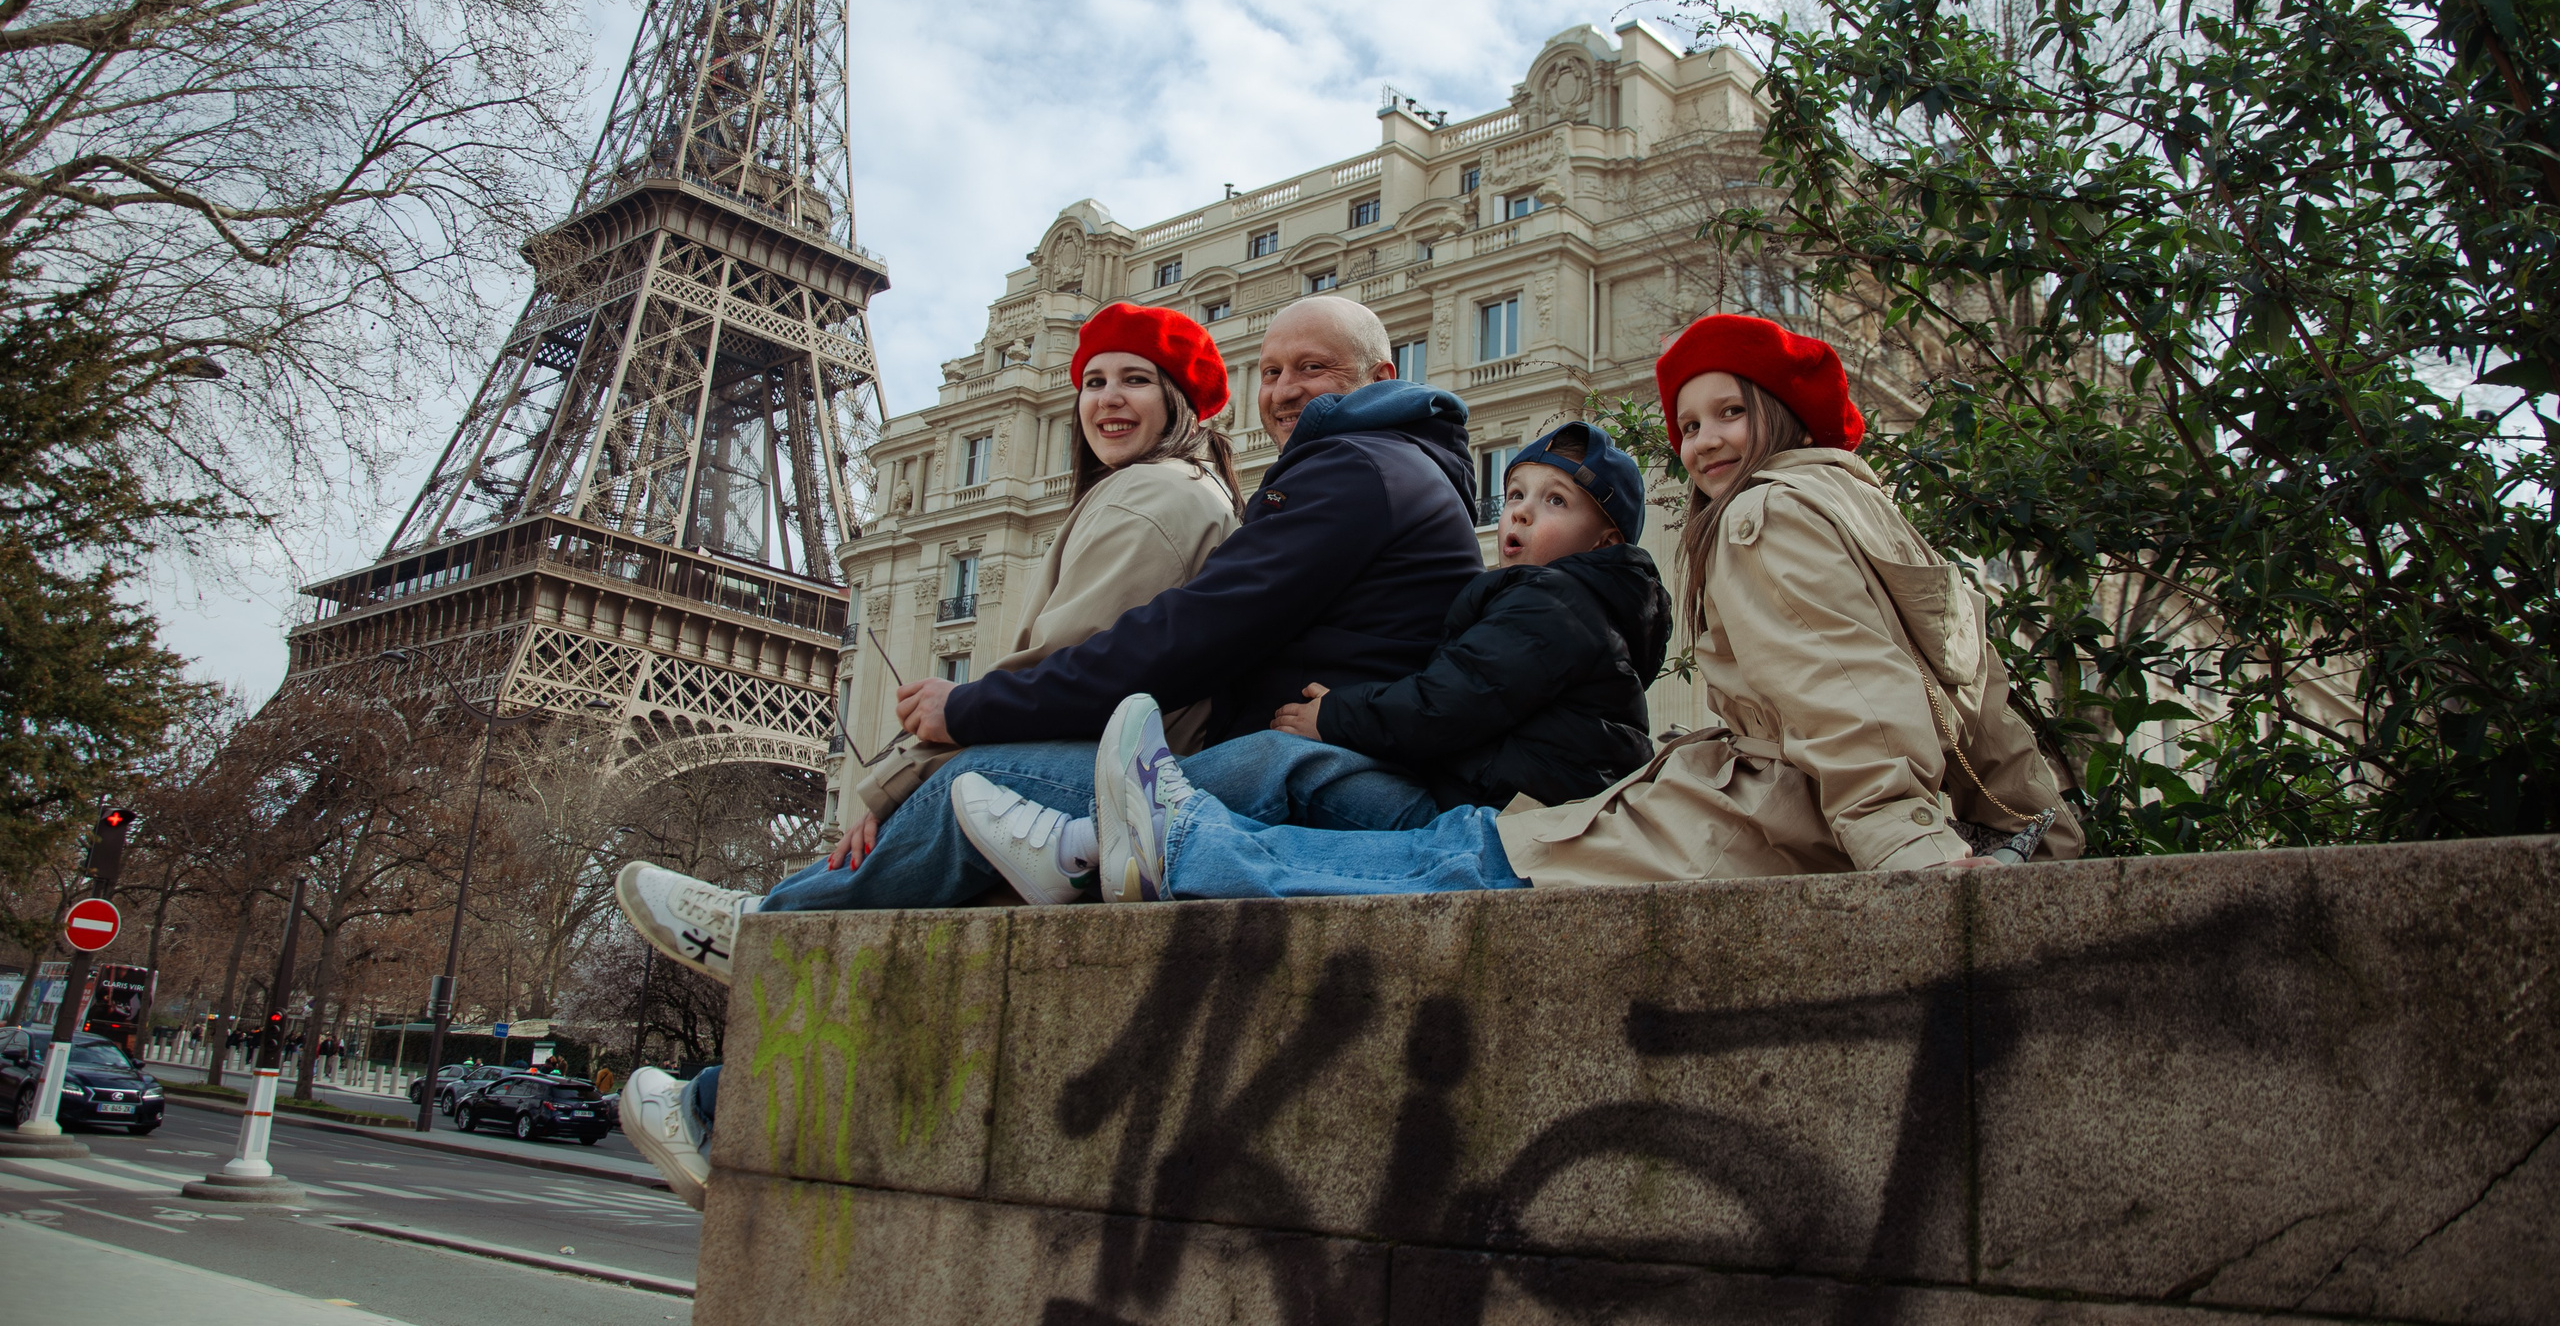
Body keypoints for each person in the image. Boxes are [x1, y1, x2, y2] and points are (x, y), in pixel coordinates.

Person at [1038, 314, 2084, 902]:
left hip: (1752, 821)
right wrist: (2038, 824)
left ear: (1778, 417)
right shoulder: (1859, 508)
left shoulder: (1769, 519)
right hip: (1760, 810)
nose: (1708, 440)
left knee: (1451, 855)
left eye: (1729, 413)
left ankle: (1177, 841)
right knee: (1438, 852)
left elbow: (1842, 688)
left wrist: (1910, 850)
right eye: (1689, 421)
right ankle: (1153, 836)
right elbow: (1967, 689)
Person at [615, 300, 1241, 1206]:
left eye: (1135, 380)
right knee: (902, 962)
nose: (1107, 400)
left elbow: (1058, 671)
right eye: (1093, 381)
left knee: (949, 812)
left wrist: (897, 775)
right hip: (1114, 766)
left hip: (1091, 764)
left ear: (1179, 399)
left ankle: (768, 925)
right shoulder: (1171, 491)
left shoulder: (1153, 499)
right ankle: (717, 1107)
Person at [953, 421, 1671, 902]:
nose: (1517, 513)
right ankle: (1088, 843)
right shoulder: (1556, 604)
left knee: (1285, 768)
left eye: (1553, 502)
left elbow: (1449, 705)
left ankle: (1086, 842)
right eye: (1514, 494)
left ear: (1606, 541)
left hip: (1502, 824)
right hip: (1494, 810)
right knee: (1282, 800)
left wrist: (1339, 715)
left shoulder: (1556, 606)